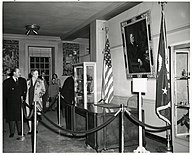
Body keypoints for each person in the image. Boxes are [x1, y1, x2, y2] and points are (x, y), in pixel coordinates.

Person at [3, 67, 27, 138]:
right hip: (11, 103)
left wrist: (23, 97)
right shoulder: (7, 82)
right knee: (12, 118)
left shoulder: (23, 80)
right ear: (14, 73)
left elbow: (25, 90)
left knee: (19, 117)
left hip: (20, 102)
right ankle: (12, 132)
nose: (20, 73)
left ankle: (20, 131)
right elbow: (5, 93)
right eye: (18, 72)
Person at [25, 69, 45, 134]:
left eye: (37, 73)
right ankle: (30, 129)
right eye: (36, 73)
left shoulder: (40, 81)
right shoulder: (27, 81)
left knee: (36, 115)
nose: (37, 75)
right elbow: (25, 90)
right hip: (29, 100)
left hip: (37, 101)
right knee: (29, 115)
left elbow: (43, 90)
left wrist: (40, 95)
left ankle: (35, 128)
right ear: (32, 74)